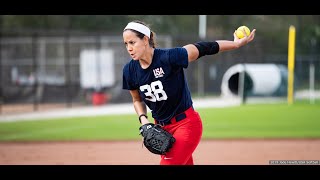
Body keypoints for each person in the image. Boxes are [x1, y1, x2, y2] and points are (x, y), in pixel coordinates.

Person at [122, 20, 256, 165]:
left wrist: (235, 44)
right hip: (162, 129)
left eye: (132, 42)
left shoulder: (170, 57)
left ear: (146, 39)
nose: (129, 48)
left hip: (186, 125)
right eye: (126, 44)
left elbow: (205, 47)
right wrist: (144, 121)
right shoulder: (129, 70)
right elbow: (137, 100)